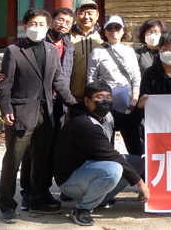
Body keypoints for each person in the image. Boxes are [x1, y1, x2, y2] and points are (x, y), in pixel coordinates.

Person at [0, 8, 77, 223]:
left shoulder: (52, 50)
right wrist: (5, 109)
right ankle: (7, 204)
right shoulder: (14, 51)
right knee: (13, 160)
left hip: (47, 113)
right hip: (21, 112)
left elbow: (59, 81)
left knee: (41, 160)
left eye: (42, 24)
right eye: (33, 24)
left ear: (48, 27)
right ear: (25, 26)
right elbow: (6, 85)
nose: (37, 28)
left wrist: (74, 105)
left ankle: (38, 198)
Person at [53, 81, 150, 226]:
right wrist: (140, 183)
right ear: (87, 101)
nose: (105, 101)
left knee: (137, 162)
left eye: (108, 97)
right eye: (99, 97)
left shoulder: (107, 115)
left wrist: (139, 107)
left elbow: (128, 122)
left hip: (91, 168)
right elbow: (112, 155)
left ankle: (100, 198)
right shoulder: (83, 123)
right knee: (113, 169)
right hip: (70, 180)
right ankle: (82, 209)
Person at [19, 7, 76, 211]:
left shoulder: (69, 45)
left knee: (49, 149)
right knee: (30, 150)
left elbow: (63, 77)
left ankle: (42, 190)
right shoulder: (40, 43)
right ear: (52, 22)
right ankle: (28, 191)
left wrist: (71, 103)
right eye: (60, 20)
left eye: (68, 22)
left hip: (58, 101)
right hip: (36, 101)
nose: (63, 24)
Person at [87, 15, 141, 113]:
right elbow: (91, 79)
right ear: (104, 31)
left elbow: (136, 77)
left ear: (123, 30)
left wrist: (134, 99)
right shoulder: (97, 52)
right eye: (110, 27)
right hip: (104, 101)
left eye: (117, 27)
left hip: (127, 102)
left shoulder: (130, 51)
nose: (114, 30)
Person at [70, 0, 103, 102]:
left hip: (98, 97)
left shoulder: (104, 36)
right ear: (75, 15)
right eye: (82, 13)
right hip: (72, 96)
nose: (86, 17)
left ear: (97, 15)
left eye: (90, 13)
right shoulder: (67, 36)